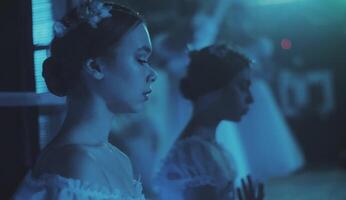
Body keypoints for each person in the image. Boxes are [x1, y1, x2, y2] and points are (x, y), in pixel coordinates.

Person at [13, 0, 157, 199]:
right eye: (140, 59)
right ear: (95, 66)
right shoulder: (75, 162)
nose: (152, 74)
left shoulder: (119, 159)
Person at [155, 44, 264, 200]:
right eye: (242, 87)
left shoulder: (205, 147)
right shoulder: (194, 154)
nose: (250, 98)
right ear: (214, 90)